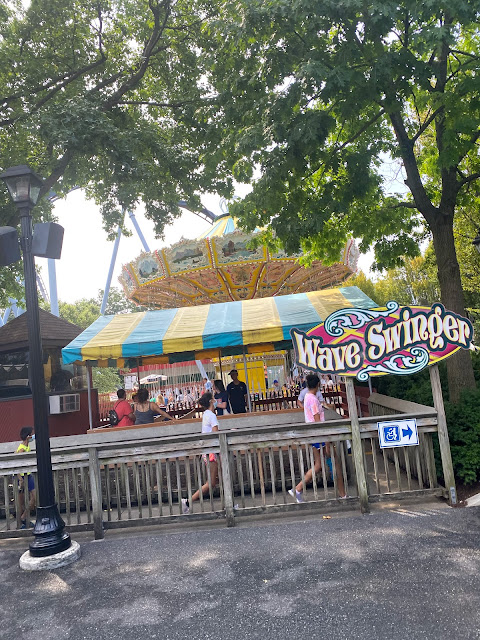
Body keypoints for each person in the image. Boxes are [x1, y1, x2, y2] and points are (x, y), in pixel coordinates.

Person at [289, 373, 347, 502]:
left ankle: (297, 489)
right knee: (333, 463)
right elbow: (317, 420)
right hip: (319, 434)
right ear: (318, 384)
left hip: (313, 435)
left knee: (319, 465)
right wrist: (326, 440)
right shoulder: (314, 399)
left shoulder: (307, 397)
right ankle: (343, 495)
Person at [182, 393, 219, 514]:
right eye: (214, 399)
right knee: (212, 482)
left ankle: (188, 502)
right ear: (211, 401)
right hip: (211, 451)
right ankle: (188, 501)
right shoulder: (212, 415)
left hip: (207, 451)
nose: (216, 400)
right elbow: (215, 433)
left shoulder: (206, 415)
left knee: (213, 482)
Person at [16, 426, 36, 529]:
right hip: (22, 477)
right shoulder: (22, 449)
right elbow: (17, 465)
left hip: (28, 475)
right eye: (31, 434)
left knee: (34, 497)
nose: (32, 436)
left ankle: (24, 517)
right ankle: (22, 522)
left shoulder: (27, 446)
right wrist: (20, 480)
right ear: (27, 436)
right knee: (21, 501)